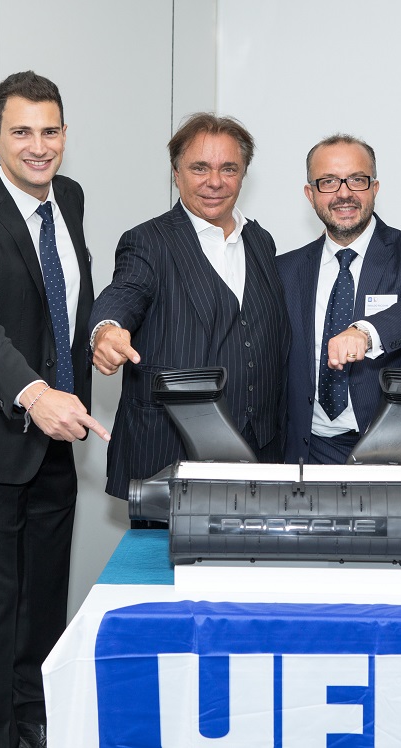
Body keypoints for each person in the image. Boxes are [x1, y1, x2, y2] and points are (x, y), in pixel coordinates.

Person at [0, 72, 109, 748]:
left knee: (44, 601)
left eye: (50, 130)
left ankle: (37, 722)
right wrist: (36, 394)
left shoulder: (71, 197)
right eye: (22, 132)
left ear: (65, 134)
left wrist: (98, 335)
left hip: (56, 437)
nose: (39, 146)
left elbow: (61, 301)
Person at [90, 113, 288, 496]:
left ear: (243, 175)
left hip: (259, 455)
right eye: (200, 168)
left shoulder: (261, 241)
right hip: (170, 453)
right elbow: (125, 291)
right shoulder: (148, 241)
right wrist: (106, 330)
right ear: (176, 173)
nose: (215, 181)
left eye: (228, 168)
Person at [277, 134, 401, 476]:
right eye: (328, 181)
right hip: (311, 452)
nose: (344, 193)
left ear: (374, 188)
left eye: (357, 179)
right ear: (310, 194)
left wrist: (364, 332)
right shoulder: (285, 270)